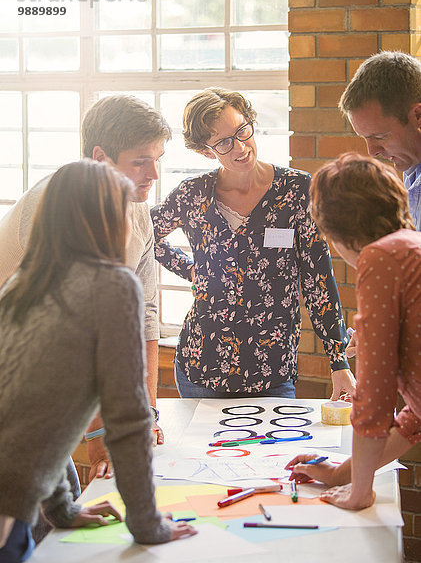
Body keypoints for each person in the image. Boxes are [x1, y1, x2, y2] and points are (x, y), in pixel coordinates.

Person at [0, 160, 196, 563]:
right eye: (125, 209)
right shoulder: (112, 284)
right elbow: (127, 419)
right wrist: (146, 523)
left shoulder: (24, 283)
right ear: (105, 218)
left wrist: (62, 510)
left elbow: (34, 412)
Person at [0, 95, 171, 487]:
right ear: (100, 157)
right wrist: (99, 438)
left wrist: (147, 415)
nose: (154, 174)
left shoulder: (136, 209)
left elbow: (143, 314)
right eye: (140, 161)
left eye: (158, 158)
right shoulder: (59, 208)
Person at [151, 87, 355, 398]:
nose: (240, 146)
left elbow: (318, 280)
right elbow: (146, 234)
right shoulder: (191, 195)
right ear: (206, 151)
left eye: (242, 131)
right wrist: (190, 269)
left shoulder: (297, 190)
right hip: (201, 368)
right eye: (224, 142)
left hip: (271, 372)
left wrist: (339, 363)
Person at [287, 152, 421, 510]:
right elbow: (414, 419)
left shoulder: (380, 257)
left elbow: (374, 395)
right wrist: (340, 474)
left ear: (334, 229)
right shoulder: (409, 248)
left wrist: (359, 491)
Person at [339, 50, 421, 231]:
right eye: (365, 138)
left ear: (418, 115)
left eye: (380, 137)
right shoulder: (411, 165)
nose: (372, 152)